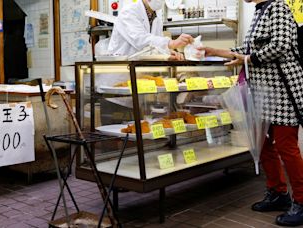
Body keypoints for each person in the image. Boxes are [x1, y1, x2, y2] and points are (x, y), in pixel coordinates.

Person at [200, 0, 303, 226]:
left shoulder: (278, 7)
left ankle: (302, 202)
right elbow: (248, 50)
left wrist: (247, 59)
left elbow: (281, 44)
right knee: (263, 143)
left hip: (283, 90)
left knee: (286, 146)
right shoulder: (260, 11)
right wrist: (212, 51)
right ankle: (278, 193)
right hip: (263, 93)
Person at [107, 0, 193, 60]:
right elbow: (140, 40)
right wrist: (171, 43)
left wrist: (167, 54)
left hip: (140, 73)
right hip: (122, 72)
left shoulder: (156, 17)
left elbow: (153, 48)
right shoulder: (129, 12)